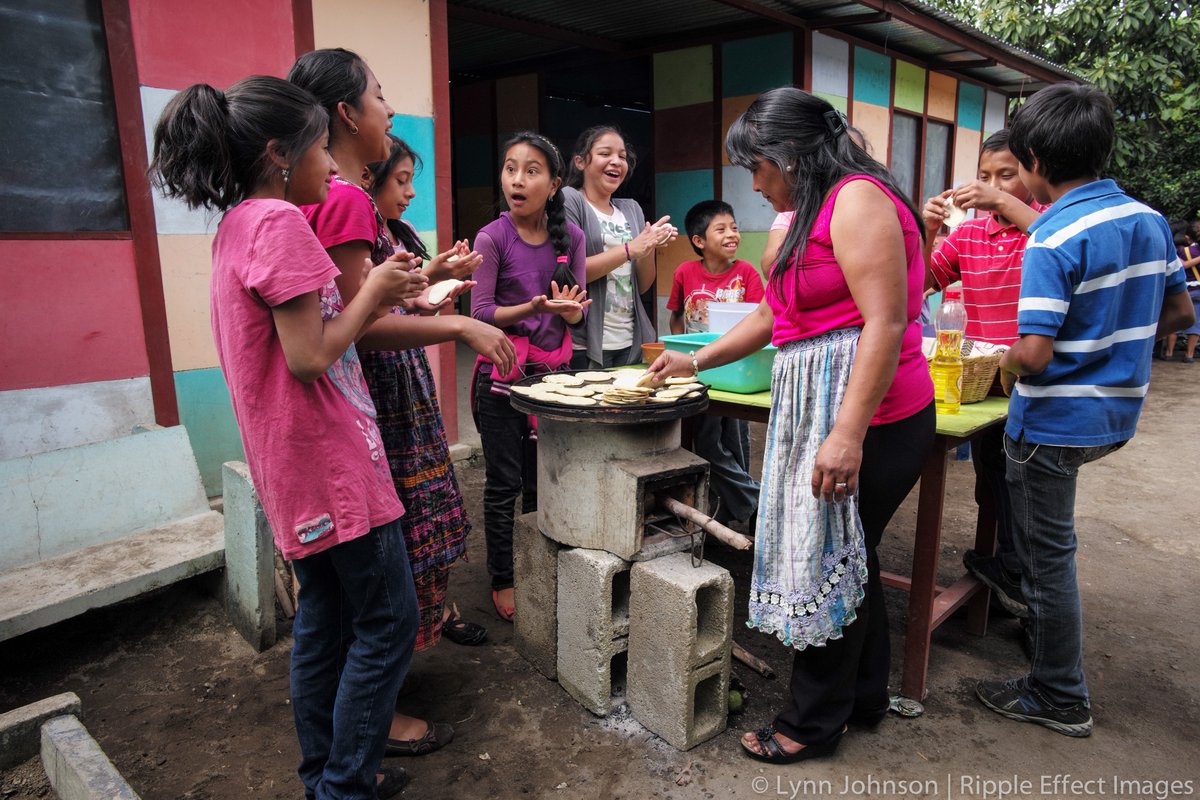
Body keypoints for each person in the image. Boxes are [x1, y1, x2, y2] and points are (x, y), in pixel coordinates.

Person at [150, 75, 420, 799]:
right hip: (331, 462)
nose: (331, 165)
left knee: (325, 619)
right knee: (390, 622)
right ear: (279, 154)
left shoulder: (237, 225)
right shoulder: (278, 223)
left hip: (294, 465)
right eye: (321, 149)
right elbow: (309, 356)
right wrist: (375, 291)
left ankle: (327, 776)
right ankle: (343, 788)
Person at [649, 88, 935, 762]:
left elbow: (886, 322)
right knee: (853, 554)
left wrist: (847, 435)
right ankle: (863, 699)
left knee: (827, 558)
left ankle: (811, 723)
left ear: (790, 155)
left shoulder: (858, 199)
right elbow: (773, 313)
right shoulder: (815, 209)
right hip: (835, 417)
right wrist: (697, 361)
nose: (754, 184)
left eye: (757, 167)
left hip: (876, 420)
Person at [289, 48, 514, 761]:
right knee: (379, 593)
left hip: (354, 401)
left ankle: (340, 731)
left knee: (338, 597)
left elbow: (357, 305)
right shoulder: (345, 198)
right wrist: (459, 325)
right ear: (347, 114)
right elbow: (359, 323)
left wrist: (427, 286)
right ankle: (369, 723)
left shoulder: (321, 197)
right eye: (379, 95)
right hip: (369, 402)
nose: (389, 109)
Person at [979, 82, 1194, 737]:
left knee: (1047, 559)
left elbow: (1034, 354)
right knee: (1048, 550)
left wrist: (997, 360)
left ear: (1035, 160)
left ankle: (1059, 693)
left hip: (1052, 422)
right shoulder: (1149, 220)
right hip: (1115, 417)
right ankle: (1032, 639)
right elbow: (1179, 313)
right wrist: (1108, 344)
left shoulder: (1052, 235)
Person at [365, 134, 489, 647]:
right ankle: (401, 630)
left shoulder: (400, 233)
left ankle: (435, 611)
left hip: (408, 383)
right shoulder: (356, 235)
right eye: (401, 180)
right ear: (369, 180)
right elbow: (367, 322)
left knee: (426, 502)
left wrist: (436, 277)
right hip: (378, 389)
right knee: (398, 509)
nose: (411, 192)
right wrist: (457, 324)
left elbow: (410, 303)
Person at [920, 129, 1044, 627]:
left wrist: (1003, 202)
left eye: (1006, 175)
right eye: (985, 175)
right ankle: (1008, 572)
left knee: (1028, 486)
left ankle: (1027, 587)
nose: (993, 185)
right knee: (993, 476)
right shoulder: (969, 235)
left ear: (1033, 173)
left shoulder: (1046, 226)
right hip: (984, 381)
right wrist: (929, 229)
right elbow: (922, 282)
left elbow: (1061, 242)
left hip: (1035, 379)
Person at [470, 132, 589, 622]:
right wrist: (534, 307)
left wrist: (568, 311)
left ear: (555, 183)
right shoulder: (492, 237)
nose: (517, 180)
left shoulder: (572, 239)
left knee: (545, 481)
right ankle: (503, 577)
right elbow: (480, 313)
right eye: (510, 168)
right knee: (504, 483)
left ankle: (540, 567)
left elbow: (579, 313)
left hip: (552, 379)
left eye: (532, 170)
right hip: (500, 377)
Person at [667, 199, 765, 526]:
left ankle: (734, 512)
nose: (732, 234)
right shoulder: (685, 272)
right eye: (721, 229)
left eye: (734, 227)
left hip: (737, 372)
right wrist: (682, 354)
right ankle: (755, 500)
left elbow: (758, 323)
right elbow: (676, 318)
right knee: (708, 441)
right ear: (699, 240)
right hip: (698, 372)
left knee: (736, 441)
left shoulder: (747, 273)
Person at [560, 125, 675, 368]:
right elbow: (570, 274)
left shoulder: (631, 208)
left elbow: (643, 285)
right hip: (585, 343)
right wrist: (630, 249)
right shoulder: (571, 199)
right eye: (605, 153)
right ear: (580, 162)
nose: (616, 161)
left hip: (629, 341)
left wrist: (649, 246)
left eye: (622, 156)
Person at [1161, 230, 1200, 362]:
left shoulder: (1180, 250)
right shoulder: (1197, 251)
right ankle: (1189, 355)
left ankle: (1169, 353)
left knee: (1175, 318)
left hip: (1182, 288)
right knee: (1196, 323)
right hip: (1198, 289)